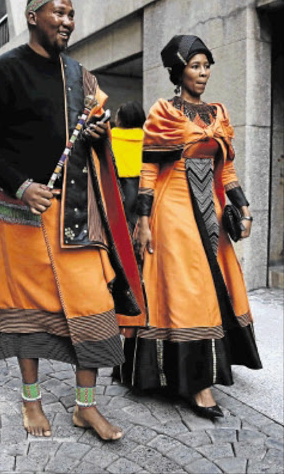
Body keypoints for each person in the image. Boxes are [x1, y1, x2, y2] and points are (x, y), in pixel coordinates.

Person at [0, 0, 145, 440]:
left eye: (71, 14)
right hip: (23, 215)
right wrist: (22, 186)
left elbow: (95, 129)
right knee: (28, 311)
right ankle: (31, 402)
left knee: (95, 305)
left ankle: (86, 408)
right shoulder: (4, 71)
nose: (67, 21)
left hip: (78, 215)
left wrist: (100, 130)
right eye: (57, 13)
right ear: (31, 17)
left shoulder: (79, 74)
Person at [115, 35, 262, 419]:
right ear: (178, 71)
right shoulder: (164, 111)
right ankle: (198, 386)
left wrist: (244, 208)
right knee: (187, 291)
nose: (203, 73)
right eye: (195, 66)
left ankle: (196, 374)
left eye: (206, 65)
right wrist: (143, 221)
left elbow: (226, 169)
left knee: (215, 288)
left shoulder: (219, 113)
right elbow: (148, 169)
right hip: (173, 210)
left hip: (210, 211)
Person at [111, 101, 145, 232]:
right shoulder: (150, 138)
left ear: (120, 120)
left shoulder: (111, 137)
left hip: (119, 184)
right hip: (144, 184)